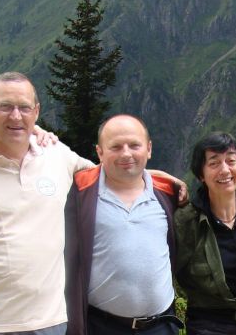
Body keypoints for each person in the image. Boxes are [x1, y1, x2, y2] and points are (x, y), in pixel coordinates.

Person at [0, 71, 96, 335]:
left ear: (36, 112)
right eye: (6, 107)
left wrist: (156, 178)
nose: (15, 116)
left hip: (47, 322)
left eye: (24, 108)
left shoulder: (57, 156)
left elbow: (111, 177)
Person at [64, 114, 183, 335]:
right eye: (115, 147)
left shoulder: (168, 193)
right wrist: (40, 134)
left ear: (148, 149)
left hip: (161, 326)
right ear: (99, 152)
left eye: (134, 145)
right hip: (102, 326)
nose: (126, 153)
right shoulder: (80, 194)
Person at [174, 132, 236, 335]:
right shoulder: (185, 222)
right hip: (207, 325)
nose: (225, 170)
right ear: (201, 174)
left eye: (231, 161)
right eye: (214, 163)